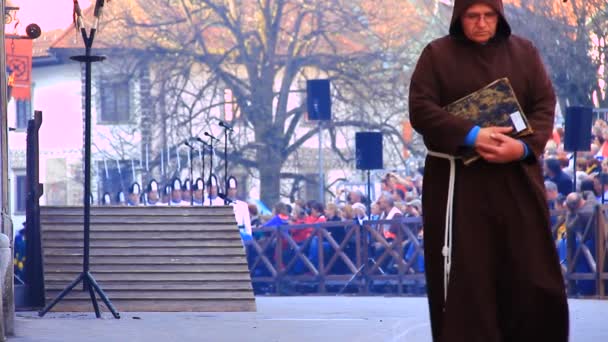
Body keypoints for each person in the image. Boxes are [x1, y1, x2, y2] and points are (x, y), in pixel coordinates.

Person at [409, 0, 568, 340]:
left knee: (531, 276)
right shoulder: (436, 55)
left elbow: (543, 104)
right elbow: (421, 109)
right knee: (469, 280)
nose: (481, 23)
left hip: (516, 181)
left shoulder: (524, 53)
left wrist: (522, 148)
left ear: (500, 16)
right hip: (459, 186)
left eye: (489, 15)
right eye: (472, 16)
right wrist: (472, 135)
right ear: (459, 18)